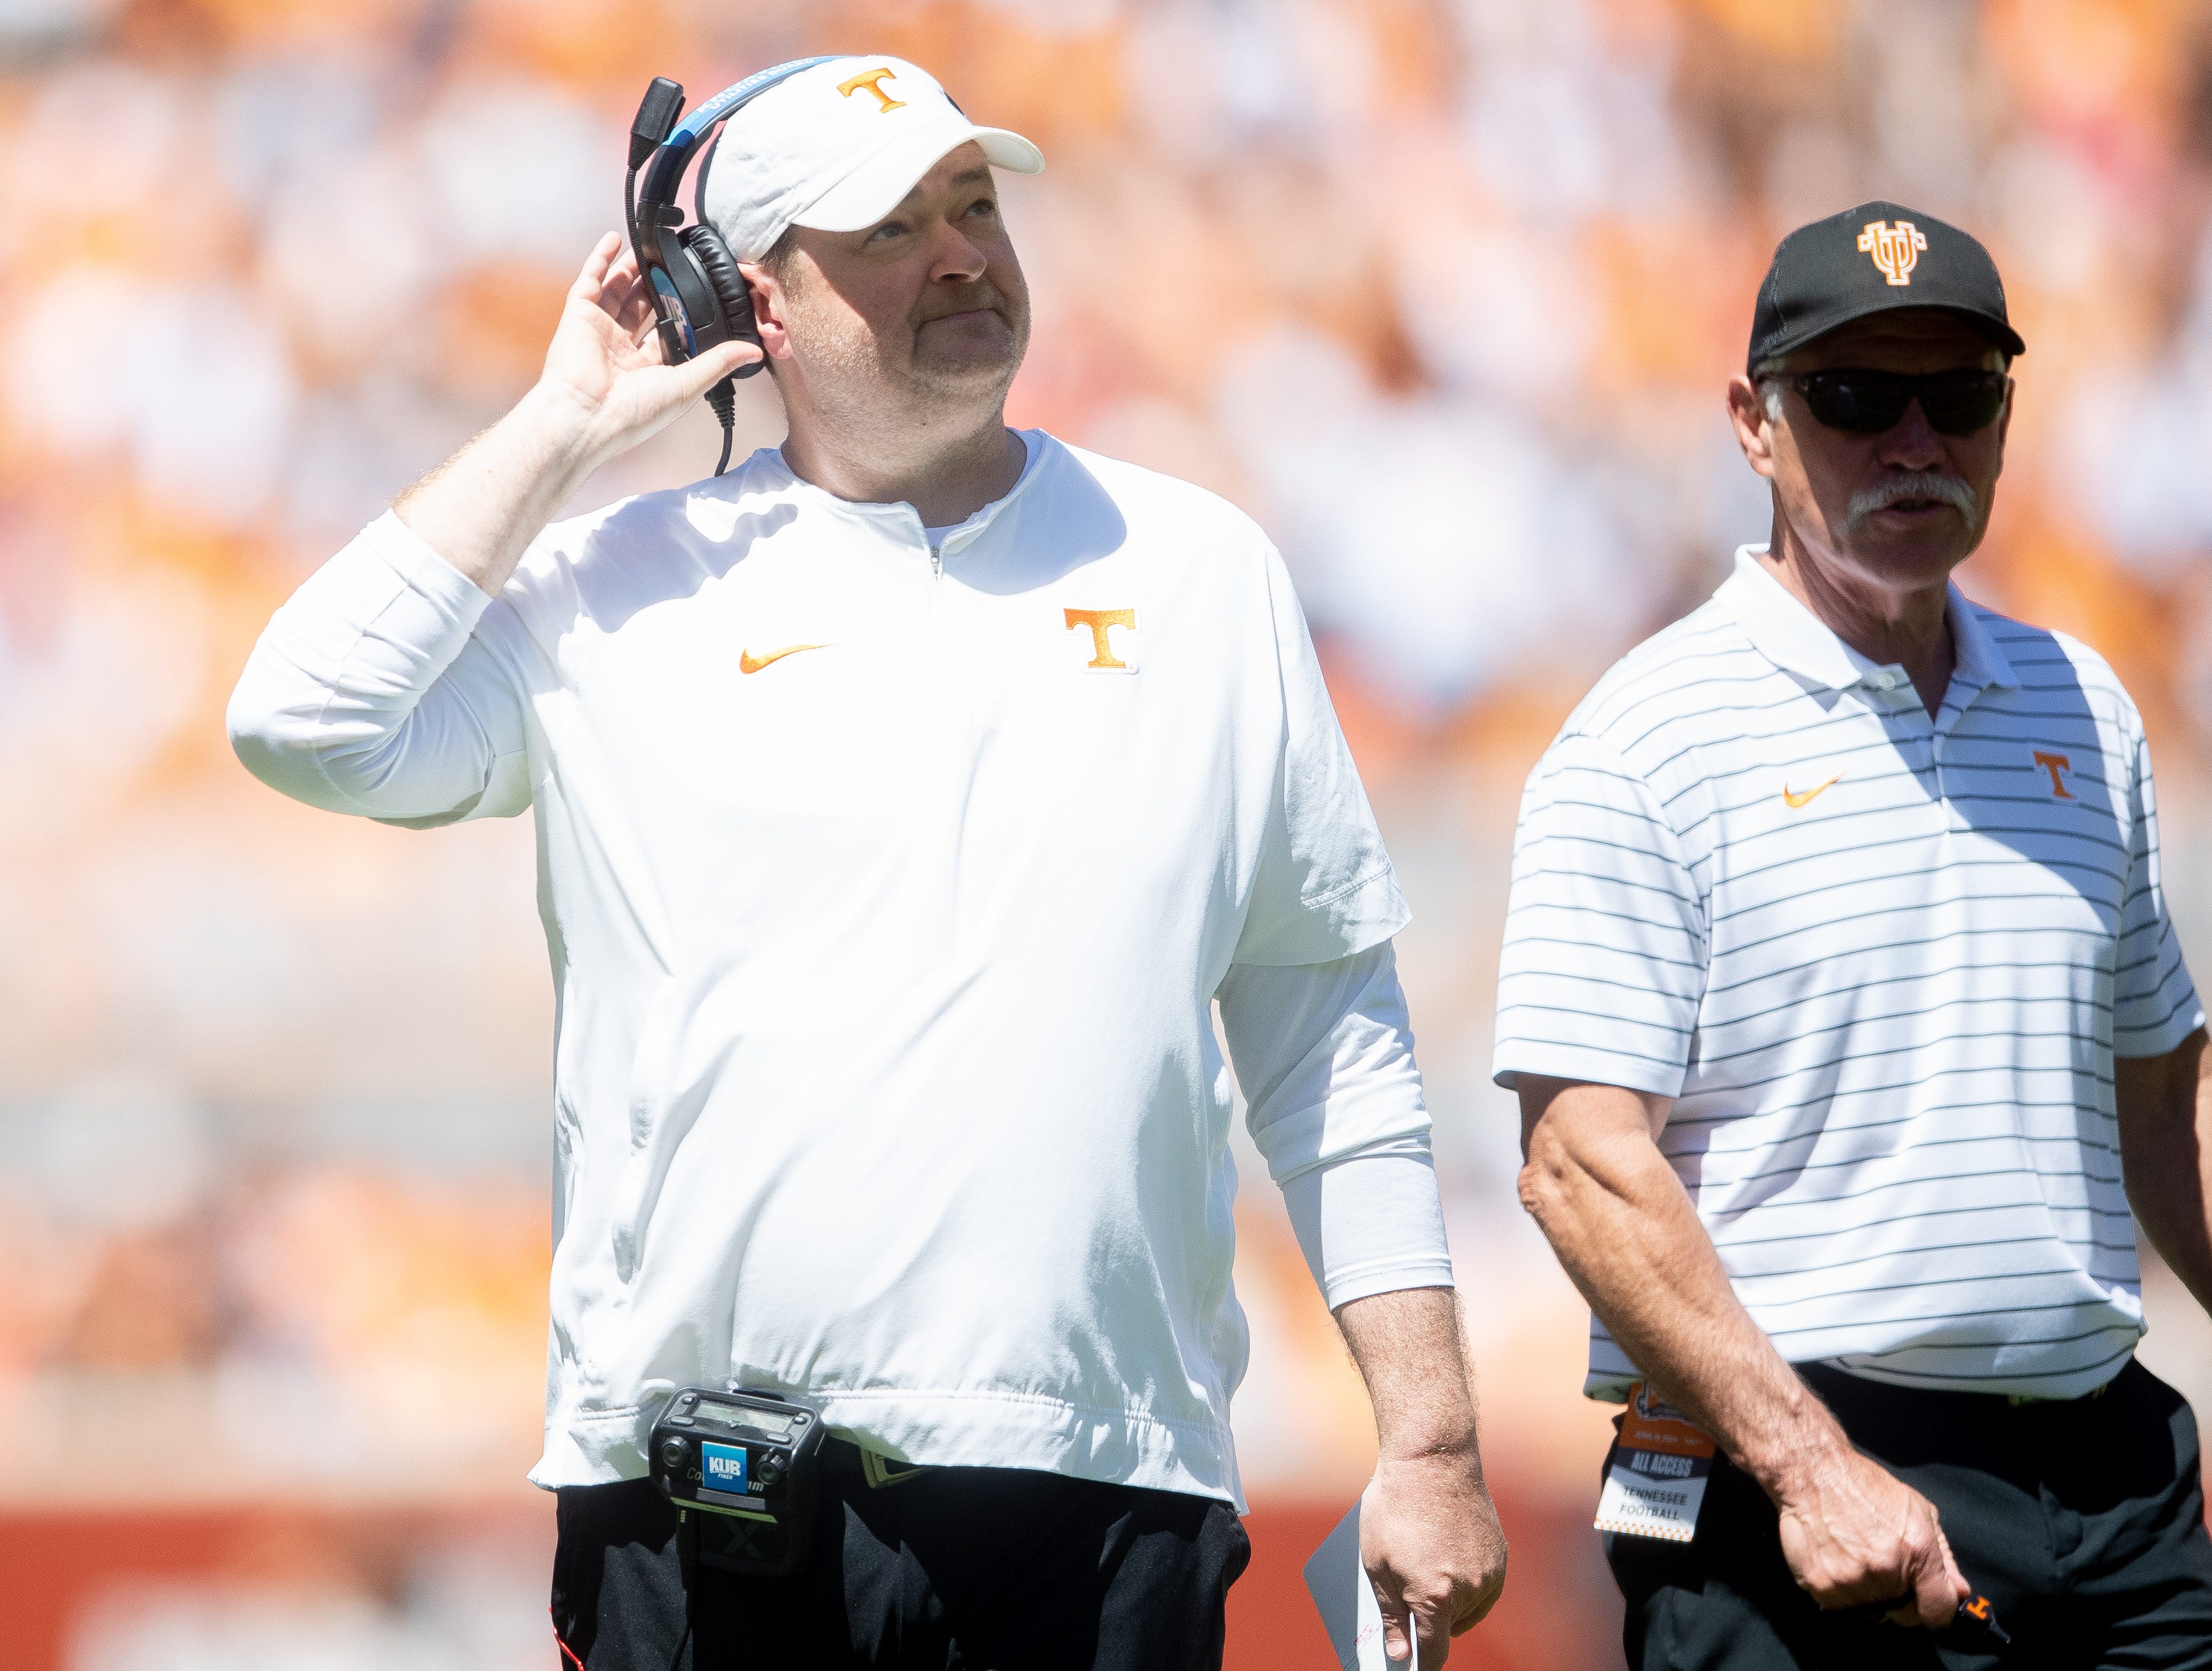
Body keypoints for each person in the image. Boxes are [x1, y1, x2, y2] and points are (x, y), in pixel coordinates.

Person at [228, 52, 1504, 1671]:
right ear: (745, 298)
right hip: (706, 1503)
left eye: (974, 205)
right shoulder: (616, 586)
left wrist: (1431, 1446)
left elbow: (1330, 1034)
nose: (964, 253)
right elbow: (302, 719)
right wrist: (563, 423)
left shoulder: (1201, 573)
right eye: (890, 228)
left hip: (1101, 1483)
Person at [1496, 200, 2212, 1667]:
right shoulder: (1644, 742)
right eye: (1856, 398)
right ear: (1754, 422)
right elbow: (1578, 1163)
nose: (1914, 441)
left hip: (2108, 1469)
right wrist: (1809, 1467)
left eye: (1959, 395)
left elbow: (2167, 1082)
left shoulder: (2082, 706)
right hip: (1793, 1472)